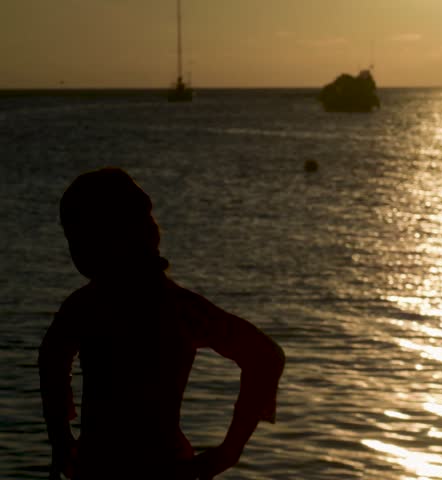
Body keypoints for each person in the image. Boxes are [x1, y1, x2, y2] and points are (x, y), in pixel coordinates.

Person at [39, 168, 286, 480]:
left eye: (76, 236)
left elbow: (51, 360)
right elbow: (266, 356)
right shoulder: (182, 308)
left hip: (102, 465)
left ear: (104, 238)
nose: (73, 250)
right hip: (167, 466)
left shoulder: (87, 306)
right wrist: (229, 450)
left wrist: (60, 439)